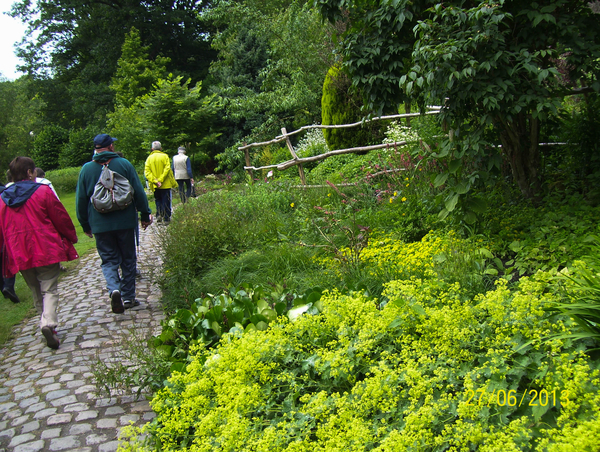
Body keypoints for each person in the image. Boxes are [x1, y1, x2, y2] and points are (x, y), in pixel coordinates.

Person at [0, 156, 79, 349]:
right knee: (49, 288)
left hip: (19, 250)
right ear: (29, 172)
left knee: (35, 289)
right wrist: (71, 235)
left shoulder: (3, 199)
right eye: (34, 170)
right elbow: (59, 216)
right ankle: (48, 323)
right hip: (45, 247)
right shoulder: (42, 192)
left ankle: (47, 326)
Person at [76, 133, 153, 313]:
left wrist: (85, 225)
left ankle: (114, 288)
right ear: (111, 147)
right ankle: (128, 297)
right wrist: (145, 213)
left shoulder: (86, 169)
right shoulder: (123, 164)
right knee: (128, 259)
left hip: (100, 224)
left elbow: (80, 200)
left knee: (109, 259)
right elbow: (138, 191)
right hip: (125, 221)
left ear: (95, 149)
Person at [145, 141, 176, 223]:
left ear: (152, 149)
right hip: (165, 184)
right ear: (161, 148)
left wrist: (155, 181)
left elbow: (147, 172)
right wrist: (161, 180)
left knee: (158, 200)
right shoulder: (165, 156)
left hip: (155, 185)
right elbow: (167, 169)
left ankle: (159, 214)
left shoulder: (149, 158)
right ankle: (166, 218)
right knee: (166, 200)